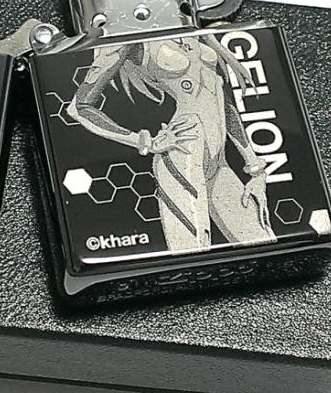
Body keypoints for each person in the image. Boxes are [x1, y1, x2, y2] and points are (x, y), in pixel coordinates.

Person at [67, 34, 276, 252]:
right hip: (182, 150)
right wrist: (144, 141)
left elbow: (221, 96)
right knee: (192, 251)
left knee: (263, 241)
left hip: (218, 157)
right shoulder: (126, 36)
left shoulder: (188, 25)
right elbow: (79, 107)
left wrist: (255, 168)